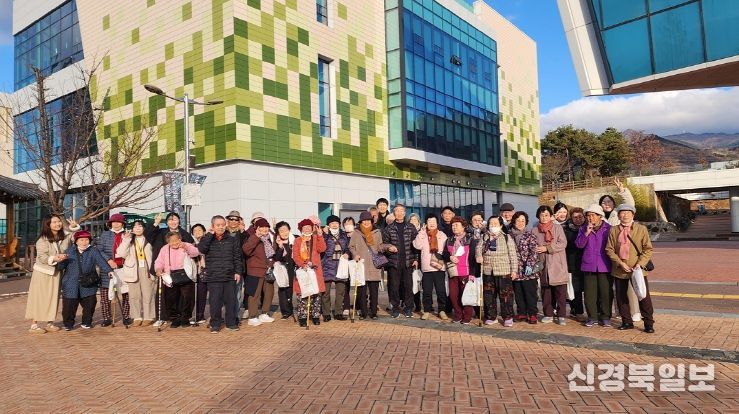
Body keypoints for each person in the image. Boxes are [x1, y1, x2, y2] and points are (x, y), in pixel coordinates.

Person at [605, 204, 655, 333]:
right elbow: (609, 249)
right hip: (620, 269)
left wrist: (640, 264)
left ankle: (649, 323)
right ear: (618, 215)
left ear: (633, 215)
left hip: (638, 269)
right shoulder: (614, 230)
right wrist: (620, 263)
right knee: (621, 296)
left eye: (628, 212)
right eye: (622, 213)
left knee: (643, 296)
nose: (625, 215)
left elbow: (648, 249)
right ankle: (626, 321)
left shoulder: (641, 229)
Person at [25, 215, 79, 333]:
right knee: (39, 297)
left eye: (59, 221)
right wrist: (55, 257)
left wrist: (74, 228)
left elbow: (77, 238)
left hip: (57, 271)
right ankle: (34, 325)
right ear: (48, 224)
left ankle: (50, 323)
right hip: (43, 272)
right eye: (54, 222)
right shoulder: (42, 239)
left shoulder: (64, 236)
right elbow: (42, 257)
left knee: (53, 297)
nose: (58, 224)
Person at [599, 180, 640, 322]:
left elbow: (630, 204)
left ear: (614, 203)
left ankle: (634, 311)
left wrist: (622, 191)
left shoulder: (618, 213)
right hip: (605, 256)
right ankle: (618, 311)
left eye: (609, 201)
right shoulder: (598, 217)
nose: (607, 204)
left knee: (629, 285)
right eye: (604, 202)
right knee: (614, 287)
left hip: (621, 254)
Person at [145, 212, 195, 327]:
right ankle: (167, 317)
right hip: (166, 271)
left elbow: (193, 251)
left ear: (179, 221)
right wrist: (155, 223)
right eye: (170, 220)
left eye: (175, 219)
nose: (173, 222)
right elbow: (148, 236)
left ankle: (184, 317)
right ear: (167, 222)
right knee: (168, 296)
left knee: (185, 296)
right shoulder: (161, 232)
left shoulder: (185, 234)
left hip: (184, 272)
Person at [198, 215, 243, 333]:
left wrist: (238, 272)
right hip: (213, 276)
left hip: (229, 275)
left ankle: (231, 323)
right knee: (215, 302)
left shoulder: (231, 239)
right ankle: (215, 324)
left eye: (223, 225)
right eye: (218, 225)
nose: (221, 227)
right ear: (212, 226)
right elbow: (202, 249)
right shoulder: (207, 238)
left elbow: (237, 257)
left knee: (231, 301)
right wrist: (209, 235)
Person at [59, 230, 113, 330]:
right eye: (81, 240)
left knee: (90, 303)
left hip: (89, 282)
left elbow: (101, 262)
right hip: (71, 282)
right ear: (76, 241)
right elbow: (61, 267)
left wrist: (109, 271)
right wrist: (61, 260)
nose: (84, 242)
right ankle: (68, 324)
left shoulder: (93, 250)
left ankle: (86, 322)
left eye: (86, 240)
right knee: (69, 305)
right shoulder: (69, 251)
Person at [476, 215, 518, 327]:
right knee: (489, 296)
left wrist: (514, 270)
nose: (493, 225)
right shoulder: (484, 236)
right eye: (491, 223)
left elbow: (513, 255)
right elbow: (478, 248)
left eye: (495, 223)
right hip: (488, 270)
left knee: (506, 296)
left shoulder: (506, 237)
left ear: (500, 225)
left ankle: (508, 317)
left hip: (504, 270)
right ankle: (491, 316)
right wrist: (478, 256)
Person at [576, 204, 613, 328]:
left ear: (600, 216)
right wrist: (586, 233)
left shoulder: (609, 229)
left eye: (593, 215)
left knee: (605, 293)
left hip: (605, 264)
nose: (590, 218)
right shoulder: (583, 229)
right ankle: (592, 317)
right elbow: (579, 245)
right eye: (588, 215)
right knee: (589, 294)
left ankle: (605, 317)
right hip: (589, 265)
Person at [154, 231, 200, 328]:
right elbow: (159, 261)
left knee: (187, 298)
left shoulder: (186, 245)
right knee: (171, 299)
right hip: (170, 275)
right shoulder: (164, 249)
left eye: (177, 240)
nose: (175, 243)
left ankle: (185, 318)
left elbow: (196, 253)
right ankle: (175, 319)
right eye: (172, 241)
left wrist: (185, 247)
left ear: (180, 239)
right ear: (168, 242)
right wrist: (158, 269)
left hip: (186, 274)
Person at [532, 206, 569, 325]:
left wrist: (547, 248)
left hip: (557, 263)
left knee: (560, 291)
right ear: (538, 216)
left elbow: (563, 243)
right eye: (542, 215)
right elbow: (532, 245)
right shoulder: (535, 230)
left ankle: (561, 315)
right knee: (546, 291)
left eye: (546, 215)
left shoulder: (557, 227)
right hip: (543, 263)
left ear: (551, 216)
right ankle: (548, 314)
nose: (544, 217)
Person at [116, 220, 156, 326]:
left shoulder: (149, 239)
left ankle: (148, 316)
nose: (137, 228)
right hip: (132, 268)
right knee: (134, 295)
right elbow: (121, 253)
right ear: (132, 229)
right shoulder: (128, 239)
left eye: (140, 226)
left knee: (148, 293)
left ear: (144, 228)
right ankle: (136, 317)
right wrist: (126, 240)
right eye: (135, 227)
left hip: (147, 268)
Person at [382, 203, 419, 318]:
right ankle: (395, 308)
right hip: (394, 262)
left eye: (401, 211)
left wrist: (416, 259)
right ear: (394, 213)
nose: (399, 213)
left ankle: (408, 308)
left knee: (408, 286)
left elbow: (416, 245)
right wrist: (389, 247)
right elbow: (383, 245)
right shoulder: (389, 228)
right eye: (397, 211)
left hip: (408, 262)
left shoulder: (411, 227)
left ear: (404, 213)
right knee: (394, 287)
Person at [349, 212, 386, 320]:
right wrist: (355, 255)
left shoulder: (377, 232)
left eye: (368, 220)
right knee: (361, 292)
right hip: (361, 265)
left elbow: (380, 246)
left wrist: (386, 247)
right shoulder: (356, 233)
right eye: (364, 220)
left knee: (374, 292)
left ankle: (374, 312)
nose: (366, 222)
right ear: (361, 222)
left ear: (371, 221)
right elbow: (351, 246)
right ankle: (363, 313)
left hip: (374, 265)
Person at [97, 213, 132, 326]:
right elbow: (99, 250)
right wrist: (109, 260)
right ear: (110, 224)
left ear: (123, 224)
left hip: (124, 268)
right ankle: (106, 318)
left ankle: (126, 316)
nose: (116, 224)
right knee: (105, 295)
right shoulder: (105, 235)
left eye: (118, 222)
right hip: (108, 269)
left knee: (126, 294)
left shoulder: (127, 235)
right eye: (113, 222)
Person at [412, 213, 448, 320]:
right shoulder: (423, 234)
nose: (431, 223)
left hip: (439, 267)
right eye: (429, 221)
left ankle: (442, 310)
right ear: (426, 223)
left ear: (437, 223)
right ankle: (427, 310)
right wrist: (422, 232)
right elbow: (417, 245)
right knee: (427, 291)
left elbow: (446, 249)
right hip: (427, 268)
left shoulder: (442, 235)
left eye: (433, 221)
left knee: (441, 291)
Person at [292, 218, 327, 327]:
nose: (307, 229)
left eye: (309, 227)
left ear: (312, 228)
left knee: (316, 294)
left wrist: (320, 236)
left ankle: (315, 316)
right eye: (304, 227)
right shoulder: (297, 241)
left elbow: (322, 249)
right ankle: (302, 316)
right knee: (303, 293)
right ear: (301, 229)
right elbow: (295, 255)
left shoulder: (316, 238)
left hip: (315, 271)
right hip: (303, 270)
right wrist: (302, 264)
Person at [242, 217, 276, 327]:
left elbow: (273, 253)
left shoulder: (270, 238)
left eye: (267, 227)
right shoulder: (252, 237)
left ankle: (264, 313)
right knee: (254, 294)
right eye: (262, 227)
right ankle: (252, 316)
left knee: (269, 293)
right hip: (255, 271)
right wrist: (256, 236)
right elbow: (246, 250)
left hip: (268, 270)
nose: (265, 229)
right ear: (257, 228)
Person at [443, 216, 477, 324]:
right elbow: (444, 254)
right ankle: (458, 314)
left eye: (456, 225)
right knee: (453, 295)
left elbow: (473, 258)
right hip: (453, 272)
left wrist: (472, 273)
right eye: (453, 225)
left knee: (466, 295)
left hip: (466, 272)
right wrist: (450, 257)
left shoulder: (471, 240)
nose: (454, 227)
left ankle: (467, 316)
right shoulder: (449, 240)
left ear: (463, 227)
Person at [508, 211, 540, 324]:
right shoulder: (509, 236)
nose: (520, 223)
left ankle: (532, 314)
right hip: (515, 269)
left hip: (528, 270)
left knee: (530, 293)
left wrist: (530, 265)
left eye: (523, 221)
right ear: (514, 222)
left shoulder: (530, 235)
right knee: (519, 293)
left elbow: (534, 251)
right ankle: (521, 312)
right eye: (518, 221)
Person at [320, 215, 351, 321]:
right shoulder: (324, 234)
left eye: (336, 223)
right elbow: (321, 247)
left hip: (341, 265)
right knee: (325, 292)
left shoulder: (344, 235)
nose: (334, 225)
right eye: (332, 223)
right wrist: (324, 234)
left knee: (340, 291)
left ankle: (338, 312)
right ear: (328, 225)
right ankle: (326, 313)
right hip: (327, 265)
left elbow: (348, 247)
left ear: (339, 224)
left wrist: (347, 253)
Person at [225, 210, 249, 320]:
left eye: (236, 219)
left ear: (240, 221)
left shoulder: (243, 234)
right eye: (231, 219)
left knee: (237, 294)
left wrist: (243, 232)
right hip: (224, 268)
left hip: (238, 268)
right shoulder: (222, 233)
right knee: (224, 294)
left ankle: (235, 317)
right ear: (227, 220)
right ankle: (226, 315)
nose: (233, 221)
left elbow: (246, 249)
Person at [564, 207, 586, 321]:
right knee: (575, 289)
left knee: (588, 289)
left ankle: (593, 311)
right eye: (575, 217)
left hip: (587, 263)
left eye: (580, 217)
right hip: (572, 263)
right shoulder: (566, 230)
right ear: (571, 218)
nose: (578, 219)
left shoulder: (588, 228)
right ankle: (578, 311)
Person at [273, 221, 296, 320]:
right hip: (283, 269)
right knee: (283, 290)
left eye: (286, 230)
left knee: (291, 289)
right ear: (278, 233)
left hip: (294, 268)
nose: (284, 233)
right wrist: (280, 247)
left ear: (289, 230)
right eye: (281, 231)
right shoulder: (277, 242)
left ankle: (294, 308)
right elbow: (277, 258)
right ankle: (286, 311)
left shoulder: (295, 239)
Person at [190, 224, 208, 324]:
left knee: (215, 295)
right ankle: (199, 315)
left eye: (199, 230)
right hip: (199, 272)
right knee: (200, 294)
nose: (197, 232)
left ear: (204, 231)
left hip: (211, 271)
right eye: (195, 231)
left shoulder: (209, 242)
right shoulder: (192, 245)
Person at [340, 216, 356, 317]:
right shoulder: (342, 235)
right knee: (345, 286)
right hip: (345, 263)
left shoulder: (358, 234)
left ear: (354, 225)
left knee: (358, 285)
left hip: (356, 262)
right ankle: (346, 306)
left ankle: (358, 306)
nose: (348, 225)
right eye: (346, 224)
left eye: (350, 223)